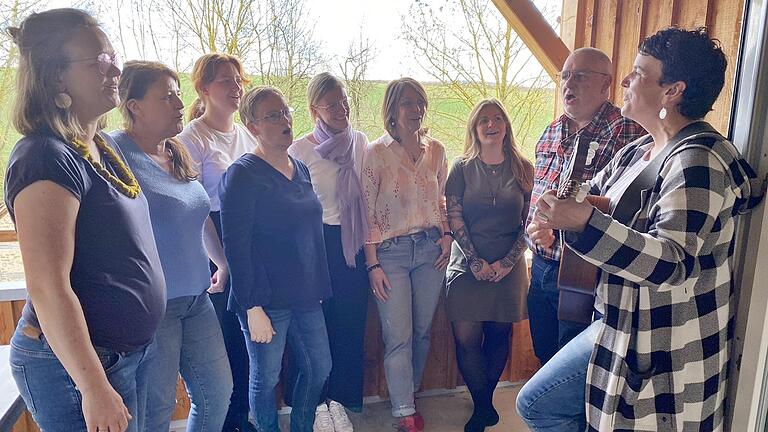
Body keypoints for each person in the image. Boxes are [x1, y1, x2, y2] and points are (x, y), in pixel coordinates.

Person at [521, 27, 763, 431]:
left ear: (672, 91)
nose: (627, 81)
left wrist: (581, 221)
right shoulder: (639, 150)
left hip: (664, 347)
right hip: (618, 325)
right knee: (544, 404)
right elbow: (591, 196)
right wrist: (552, 217)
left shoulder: (698, 162)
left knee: (537, 404)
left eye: (638, 72)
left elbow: (673, 262)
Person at [4, 8, 166, 432]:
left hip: (125, 353)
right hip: (78, 368)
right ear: (57, 77)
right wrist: (94, 387)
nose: (115, 68)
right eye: (99, 61)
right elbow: (48, 286)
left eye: (113, 56)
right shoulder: (44, 156)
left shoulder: (100, 145)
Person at [112, 60, 234, 431]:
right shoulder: (113, 153)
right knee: (156, 409)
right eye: (167, 97)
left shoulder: (175, 151)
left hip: (197, 299)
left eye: (179, 95)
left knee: (217, 393)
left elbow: (195, 216)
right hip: (154, 307)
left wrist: (222, 262)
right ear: (134, 106)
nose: (180, 105)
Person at [220, 86, 333, 432]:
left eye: (286, 111)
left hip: (305, 294)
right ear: (253, 127)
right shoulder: (242, 174)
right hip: (265, 299)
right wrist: (252, 307)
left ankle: (301, 426)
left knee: (319, 367)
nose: (284, 120)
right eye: (273, 115)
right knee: (264, 379)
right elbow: (235, 245)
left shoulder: (300, 168)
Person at [525, 47, 645, 365]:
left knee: (572, 367)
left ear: (606, 85)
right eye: (564, 75)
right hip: (540, 267)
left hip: (587, 275)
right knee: (543, 356)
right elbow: (536, 199)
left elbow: (631, 215)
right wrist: (535, 229)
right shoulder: (550, 132)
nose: (568, 83)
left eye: (579, 75)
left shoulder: (629, 132)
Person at [361, 77, 452, 432]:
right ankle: (405, 413)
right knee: (398, 334)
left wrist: (446, 236)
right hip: (392, 254)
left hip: (431, 249)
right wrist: (372, 264)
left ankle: (408, 395)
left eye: (419, 103)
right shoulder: (375, 152)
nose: (415, 110)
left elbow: (441, 201)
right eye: (407, 103)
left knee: (423, 332)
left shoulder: (438, 150)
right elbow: (366, 212)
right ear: (392, 111)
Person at [444, 98, 533, 432]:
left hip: (508, 265)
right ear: (474, 128)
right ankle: (482, 406)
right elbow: (454, 216)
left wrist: (509, 262)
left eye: (498, 118)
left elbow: (530, 222)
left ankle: (484, 405)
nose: (491, 124)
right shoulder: (461, 167)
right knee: (466, 338)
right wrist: (476, 261)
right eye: (484, 120)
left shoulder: (524, 168)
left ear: (506, 125)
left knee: (498, 335)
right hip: (467, 264)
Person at [286, 72, 369, 432]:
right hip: (314, 244)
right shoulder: (300, 150)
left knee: (348, 325)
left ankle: (339, 402)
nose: (341, 108)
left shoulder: (361, 142)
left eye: (344, 101)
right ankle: (315, 403)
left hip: (353, 244)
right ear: (314, 109)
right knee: (314, 330)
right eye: (331, 103)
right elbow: (289, 205)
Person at [177, 53, 256, 432]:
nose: (236, 87)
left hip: (250, 242)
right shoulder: (190, 139)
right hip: (214, 246)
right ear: (203, 88)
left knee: (249, 341)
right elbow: (193, 209)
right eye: (226, 80)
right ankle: (224, 423)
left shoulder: (246, 134)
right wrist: (222, 260)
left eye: (238, 79)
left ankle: (242, 418)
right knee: (223, 343)